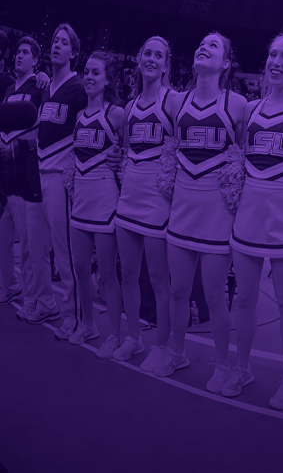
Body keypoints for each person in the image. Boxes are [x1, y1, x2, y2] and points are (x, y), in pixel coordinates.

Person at [226, 34, 283, 408]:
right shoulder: (249, 108)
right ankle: (241, 367)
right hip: (248, 216)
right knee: (244, 298)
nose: (276, 61)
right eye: (273, 54)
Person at [156, 33, 247, 392]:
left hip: (217, 212)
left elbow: (246, 156)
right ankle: (176, 351)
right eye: (201, 43)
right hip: (182, 207)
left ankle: (224, 365)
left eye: (214, 45)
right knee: (178, 290)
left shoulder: (239, 104)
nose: (203, 46)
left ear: (225, 63)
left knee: (214, 295)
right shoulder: (176, 101)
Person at [113, 37, 176, 368]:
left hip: (156, 204)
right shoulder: (129, 107)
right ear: (139, 60)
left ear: (166, 64)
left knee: (158, 280)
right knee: (128, 276)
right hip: (128, 200)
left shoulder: (173, 102)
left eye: (158, 55)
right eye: (147, 53)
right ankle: (134, 337)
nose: (152, 58)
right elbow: (126, 153)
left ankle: (161, 346)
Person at [23, 24, 87, 334]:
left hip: (61, 178)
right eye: (54, 41)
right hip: (38, 173)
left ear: (74, 52)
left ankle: (73, 317)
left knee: (64, 253)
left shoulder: (80, 88)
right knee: (37, 249)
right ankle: (46, 304)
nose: (56, 46)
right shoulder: (46, 88)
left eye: (63, 43)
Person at [67, 52, 126, 358]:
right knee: (80, 269)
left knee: (106, 274)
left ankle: (115, 334)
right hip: (80, 200)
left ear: (107, 80)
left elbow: (130, 154)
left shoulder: (116, 114)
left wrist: (119, 160)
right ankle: (87, 323)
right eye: (86, 73)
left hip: (105, 200)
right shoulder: (78, 116)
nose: (89, 77)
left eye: (95, 73)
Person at [0, 36, 44, 306]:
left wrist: (46, 79)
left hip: (25, 174)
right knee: (3, 239)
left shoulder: (39, 87)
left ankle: (31, 297)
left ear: (36, 61)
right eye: (18, 52)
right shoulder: (7, 90)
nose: (19, 56)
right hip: (4, 174)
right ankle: (11, 285)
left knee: (27, 244)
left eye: (26, 52)